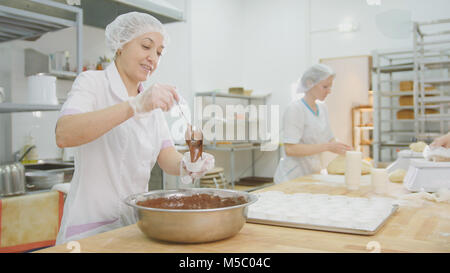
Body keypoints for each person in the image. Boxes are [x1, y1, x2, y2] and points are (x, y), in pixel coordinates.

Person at [54, 12, 213, 244]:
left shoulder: (151, 103)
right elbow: (64, 133)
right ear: (120, 45)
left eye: (158, 52)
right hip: (89, 231)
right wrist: (135, 106)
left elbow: (165, 155)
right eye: (146, 46)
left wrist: (187, 163)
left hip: (134, 228)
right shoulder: (92, 83)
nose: (153, 59)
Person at [274, 64, 352, 183]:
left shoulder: (322, 108)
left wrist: (342, 148)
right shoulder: (295, 109)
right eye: (325, 86)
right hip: (292, 177)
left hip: (313, 174)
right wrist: (327, 147)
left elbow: (329, 139)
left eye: (330, 87)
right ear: (310, 83)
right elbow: (290, 149)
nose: (329, 91)